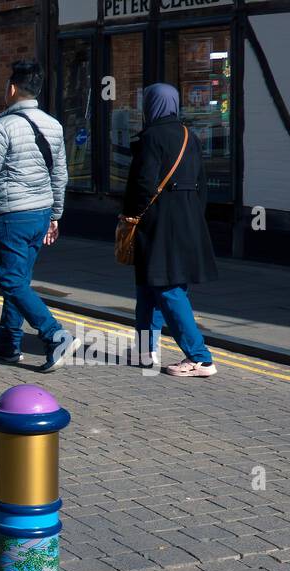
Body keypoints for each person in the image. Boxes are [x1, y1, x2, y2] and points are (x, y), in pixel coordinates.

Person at [0, 60, 76, 372]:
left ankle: (54, 334)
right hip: (41, 213)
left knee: (10, 281)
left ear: (11, 89)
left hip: (12, 216)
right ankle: (8, 344)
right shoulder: (54, 125)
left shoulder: (3, 126)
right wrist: (56, 215)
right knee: (19, 281)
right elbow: (59, 175)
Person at [122, 83, 219, 378]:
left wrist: (129, 215)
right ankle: (144, 351)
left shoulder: (152, 137)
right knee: (148, 286)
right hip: (188, 221)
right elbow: (202, 184)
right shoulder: (190, 136)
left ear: (151, 105)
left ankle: (200, 358)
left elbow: (143, 184)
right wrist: (192, 215)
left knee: (167, 288)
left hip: (158, 223)